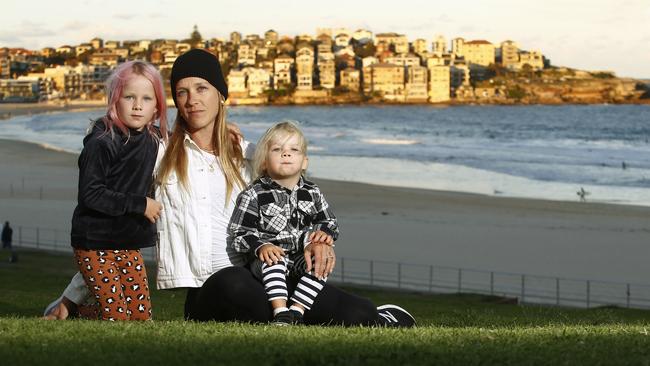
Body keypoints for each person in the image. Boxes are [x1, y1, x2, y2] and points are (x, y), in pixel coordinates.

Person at [45, 49, 415, 327]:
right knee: (234, 282)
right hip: (209, 294)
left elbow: (294, 193)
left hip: (264, 273)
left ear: (221, 95)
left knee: (352, 311)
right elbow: (118, 230)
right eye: (182, 91)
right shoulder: (159, 155)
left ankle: (377, 317)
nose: (192, 100)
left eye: (202, 88)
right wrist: (73, 297)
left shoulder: (247, 155)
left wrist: (316, 238)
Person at [69, 60, 168, 321]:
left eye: (147, 98)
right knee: (117, 317)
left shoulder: (153, 137)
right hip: (94, 241)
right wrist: (140, 204)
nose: (138, 105)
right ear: (115, 100)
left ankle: (73, 310)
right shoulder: (102, 142)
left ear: (157, 106)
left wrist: (224, 132)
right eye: (129, 97)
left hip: (127, 242)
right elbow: (90, 194)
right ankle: (74, 313)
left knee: (141, 317)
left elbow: (186, 140)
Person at [229, 121, 338, 325]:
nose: (286, 154)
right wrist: (261, 246)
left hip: (299, 258)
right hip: (265, 261)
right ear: (263, 162)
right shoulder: (254, 194)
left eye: (293, 150)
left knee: (320, 262)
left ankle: (297, 310)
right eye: (277, 149)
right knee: (274, 261)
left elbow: (328, 220)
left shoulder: (312, 192)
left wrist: (323, 234)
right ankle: (280, 312)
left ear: (304, 161)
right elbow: (239, 232)